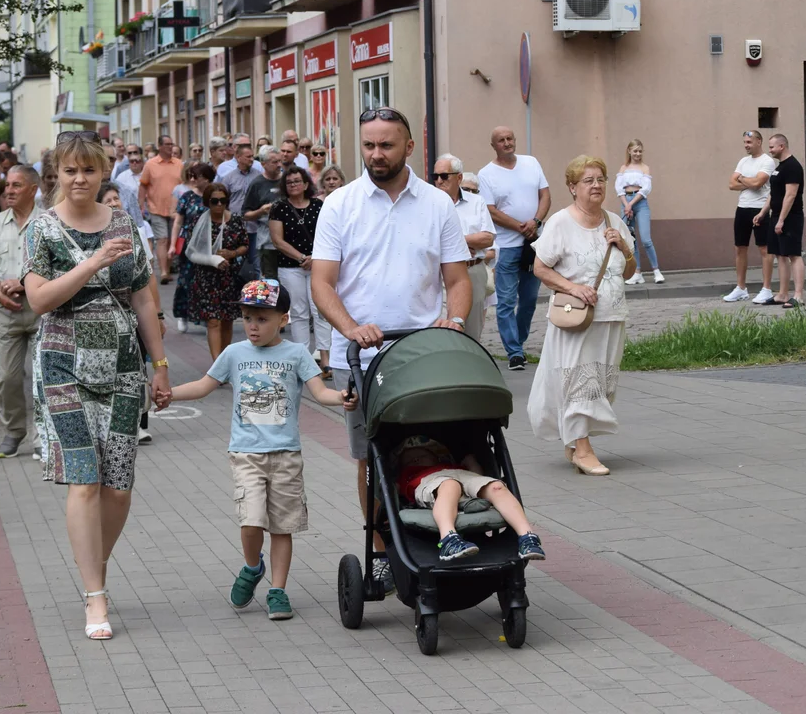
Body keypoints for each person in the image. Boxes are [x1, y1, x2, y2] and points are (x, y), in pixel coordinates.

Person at [311, 106, 471, 593]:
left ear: (409, 147)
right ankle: (382, 550)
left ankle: (439, 534)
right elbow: (322, 282)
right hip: (359, 359)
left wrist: (455, 319)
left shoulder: (438, 205)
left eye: (386, 144)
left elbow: (458, 278)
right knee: (372, 457)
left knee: (438, 450)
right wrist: (352, 327)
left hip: (423, 356)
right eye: (368, 145)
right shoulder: (340, 204)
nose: (376, 154)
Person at [23, 130, 171, 641]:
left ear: (101, 172)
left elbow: (144, 300)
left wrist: (161, 364)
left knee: (119, 486)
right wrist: (90, 263)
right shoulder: (42, 230)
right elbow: (38, 302)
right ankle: (95, 595)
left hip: (123, 365)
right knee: (84, 480)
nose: (80, 179)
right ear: (57, 175)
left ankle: (93, 567)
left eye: (88, 169)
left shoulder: (126, 224)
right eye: (70, 171)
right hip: (62, 362)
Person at [169, 279, 357, 620]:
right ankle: (253, 567)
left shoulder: (297, 353)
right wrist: (170, 394)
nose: (253, 327)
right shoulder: (234, 353)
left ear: (283, 319)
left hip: (286, 455)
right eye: (247, 318)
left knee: (282, 527)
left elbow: (320, 393)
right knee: (251, 521)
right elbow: (203, 386)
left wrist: (342, 399)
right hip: (246, 454)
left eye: (262, 319)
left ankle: (278, 590)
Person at [528, 155, 636, 477]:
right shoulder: (561, 222)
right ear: (573, 188)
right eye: (588, 181)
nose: (596, 185)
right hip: (576, 318)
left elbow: (628, 273)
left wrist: (624, 248)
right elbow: (540, 268)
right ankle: (584, 448)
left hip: (612, 316)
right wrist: (573, 287)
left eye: (600, 179)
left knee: (602, 386)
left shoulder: (614, 221)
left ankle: (576, 441)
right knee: (579, 383)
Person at [0, 166, 44, 458]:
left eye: (17, 185)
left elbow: (62, 269)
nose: (9, 191)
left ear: (33, 189)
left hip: (44, 309)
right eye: (7, 186)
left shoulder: (49, 221)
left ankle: (44, 435)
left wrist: (26, 285)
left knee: (46, 376)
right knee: (6, 378)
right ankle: (15, 431)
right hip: (7, 311)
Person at [391, 436, 545, 561]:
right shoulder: (407, 475)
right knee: (450, 485)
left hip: (463, 477)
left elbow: (476, 475)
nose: (415, 461)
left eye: (420, 457)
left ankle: (527, 537)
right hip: (430, 482)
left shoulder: (452, 465)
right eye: (410, 461)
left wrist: (470, 461)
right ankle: (448, 539)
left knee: (496, 486)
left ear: (437, 457)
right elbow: (392, 490)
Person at [479, 126, 551, 372]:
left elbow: (545, 196)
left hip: (534, 244)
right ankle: (514, 352)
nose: (507, 143)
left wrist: (536, 222)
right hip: (507, 246)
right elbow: (490, 210)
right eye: (501, 140)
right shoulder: (486, 174)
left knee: (530, 299)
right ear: (494, 145)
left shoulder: (531, 163)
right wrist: (520, 227)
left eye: (510, 138)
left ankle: (518, 341)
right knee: (507, 301)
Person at [98, 181, 164, 445]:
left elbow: (148, 279)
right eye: (108, 200)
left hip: (133, 313)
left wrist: (158, 315)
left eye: (116, 199)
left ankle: (140, 422)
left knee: (139, 364)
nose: (114, 204)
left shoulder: (133, 230)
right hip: (106, 317)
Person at [269, 166, 331, 377]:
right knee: (299, 313)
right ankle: (303, 359)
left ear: (306, 184)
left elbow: (327, 235)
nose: (293, 185)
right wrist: (302, 257)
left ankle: (326, 360)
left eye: (297, 181)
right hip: (290, 267)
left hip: (317, 265)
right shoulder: (279, 207)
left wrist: (314, 257)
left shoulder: (318, 206)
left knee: (320, 311)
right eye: (289, 182)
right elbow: (277, 240)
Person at [433, 154, 495, 341]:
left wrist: (455, 241)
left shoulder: (476, 202)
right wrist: (461, 245)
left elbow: (488, 238)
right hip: (439, 273)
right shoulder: (429, 203)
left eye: (444, 176)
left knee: (472, 333)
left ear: (458, 178)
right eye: (435, 176)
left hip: (473, 270)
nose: (438, 181)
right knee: (442, 330)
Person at [186, 182, 249, 360]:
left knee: (227, 321)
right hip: (207, 279)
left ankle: (224, 358)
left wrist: (232, 253)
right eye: (215, 201)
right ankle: (217, 365)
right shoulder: (198, 221)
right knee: (213, 321)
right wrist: (212, 260)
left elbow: (245, 245)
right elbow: (191, 251)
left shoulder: (235, 221)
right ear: (207, 202)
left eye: (223, 201)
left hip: (229, 278)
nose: (219, 205)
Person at [753, 134, 806, 309]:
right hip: (776, 216)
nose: (770, 150)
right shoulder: (779, 167)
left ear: (782, 146)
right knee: (780, 255)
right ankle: (783, 294)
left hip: (790, 217)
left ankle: (798, 296)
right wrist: (762, 213)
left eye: (772, 147)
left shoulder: (792, 167)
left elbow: (790, 195)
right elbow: (773, 194)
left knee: (793, 255)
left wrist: (782, 220)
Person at [725, 130, 777, 304]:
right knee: (740, 248)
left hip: (759, 209)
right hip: (742, 209)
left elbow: (758, 183)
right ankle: (741, 288)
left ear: (759, 141)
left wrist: (743, 179)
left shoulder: (767, 161)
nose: (746, 145)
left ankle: (766, 289)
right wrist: (748, 181)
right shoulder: (743, 161)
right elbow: (731, 185)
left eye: (749, 142)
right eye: (745, 142)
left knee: (764, 249)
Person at [169, 162, 215, 334]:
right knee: (186, 281)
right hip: (189, 246)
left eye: (197, 176)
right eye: (192, 176)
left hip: (209, 245)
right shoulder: (187, 196)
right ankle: (183, 313)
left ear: (207, 178)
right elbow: (178, 222)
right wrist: (173, 245)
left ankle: (204, 315)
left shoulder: (214, 196)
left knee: (206, 281)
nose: (193, 179)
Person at [616, 140, 663, 285]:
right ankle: (637, 273)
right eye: (635, 151)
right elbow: (618, 188)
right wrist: (626, 204)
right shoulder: (623, 168)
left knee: (646, 239)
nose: (637, 154)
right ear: (629, 151)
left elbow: (646, 188)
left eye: (640, 151)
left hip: (640, 203)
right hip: (626, 203)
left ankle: (656, 271)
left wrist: (630, 204)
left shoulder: (645, 168)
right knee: (631, 239)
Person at [139, 135, 183, 282]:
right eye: (167, 144)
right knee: (162, 239)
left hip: (175, 210)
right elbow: (143, 185)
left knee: (172, 240)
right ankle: (164, 271)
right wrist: (141, 205)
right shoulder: (150, 164)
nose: (170, 147)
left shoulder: (179, 164)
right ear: (160, 146)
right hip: (155, 208)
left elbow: (184, 185)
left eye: (172, 144)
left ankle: (168, 270)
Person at [241, 146, 284, 280]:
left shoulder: (287, 181)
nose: (278, 165)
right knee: (270, 280)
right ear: (263, 164)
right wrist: (261, 211)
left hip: (290, 240)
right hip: (267, 241)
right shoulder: (257, 184)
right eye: (274, 162)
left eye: (279, 161)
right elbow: (245, 214)